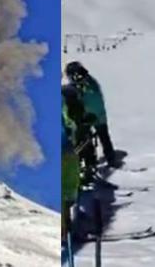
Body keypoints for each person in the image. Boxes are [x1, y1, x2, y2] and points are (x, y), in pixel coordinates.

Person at [66, 61, 118, 168]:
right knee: (104, 137)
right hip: (99, 115)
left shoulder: (82, 85)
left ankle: (89, 162)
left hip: (88, 116)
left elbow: (80, 96)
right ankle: (109, 159)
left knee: (85, 139)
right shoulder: (90, 81)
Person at [61, 86, 82, 243]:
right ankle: (64, 230)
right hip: (66, 150)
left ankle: (66, 229)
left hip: (67, 149)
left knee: (67, 191)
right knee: (67, 191)